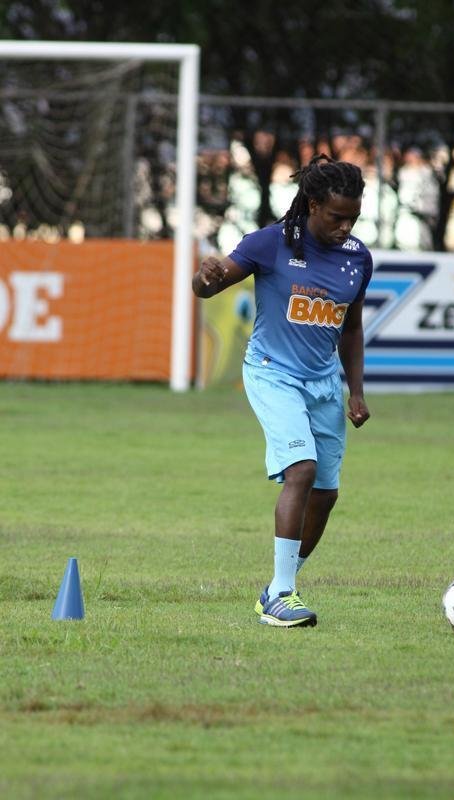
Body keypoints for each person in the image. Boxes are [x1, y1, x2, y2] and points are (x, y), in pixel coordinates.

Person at [192, 154, 373, 628]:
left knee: (326, 494)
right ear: (313, 205)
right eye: (337, 216)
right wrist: (204, 278)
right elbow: (210, 286)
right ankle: (283, 596)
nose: (345, 226)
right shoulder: (270, 243)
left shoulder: (358, 258)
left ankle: (275, 588)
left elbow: (351, 330)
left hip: (323, 383)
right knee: (303, 469)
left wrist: (355, 391)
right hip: (273, 373)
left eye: (353, 217)